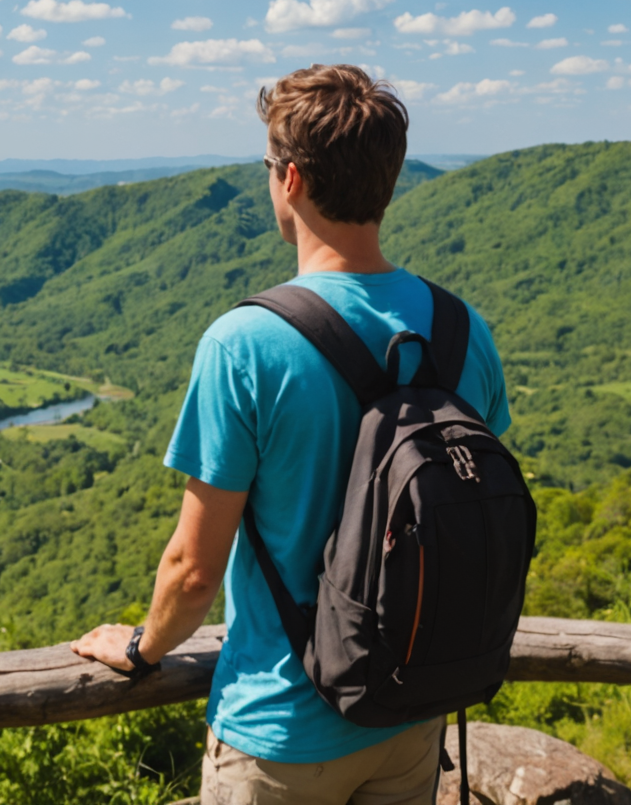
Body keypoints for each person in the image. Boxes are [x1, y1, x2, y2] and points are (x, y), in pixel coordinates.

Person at [72, 64, 512, 805]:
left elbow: (192, 570)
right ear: (390, 180)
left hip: (280, 729)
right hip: (410, 718)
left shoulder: (245, 342)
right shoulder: (464, 331)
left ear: (292, 179)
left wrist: (142, 646)